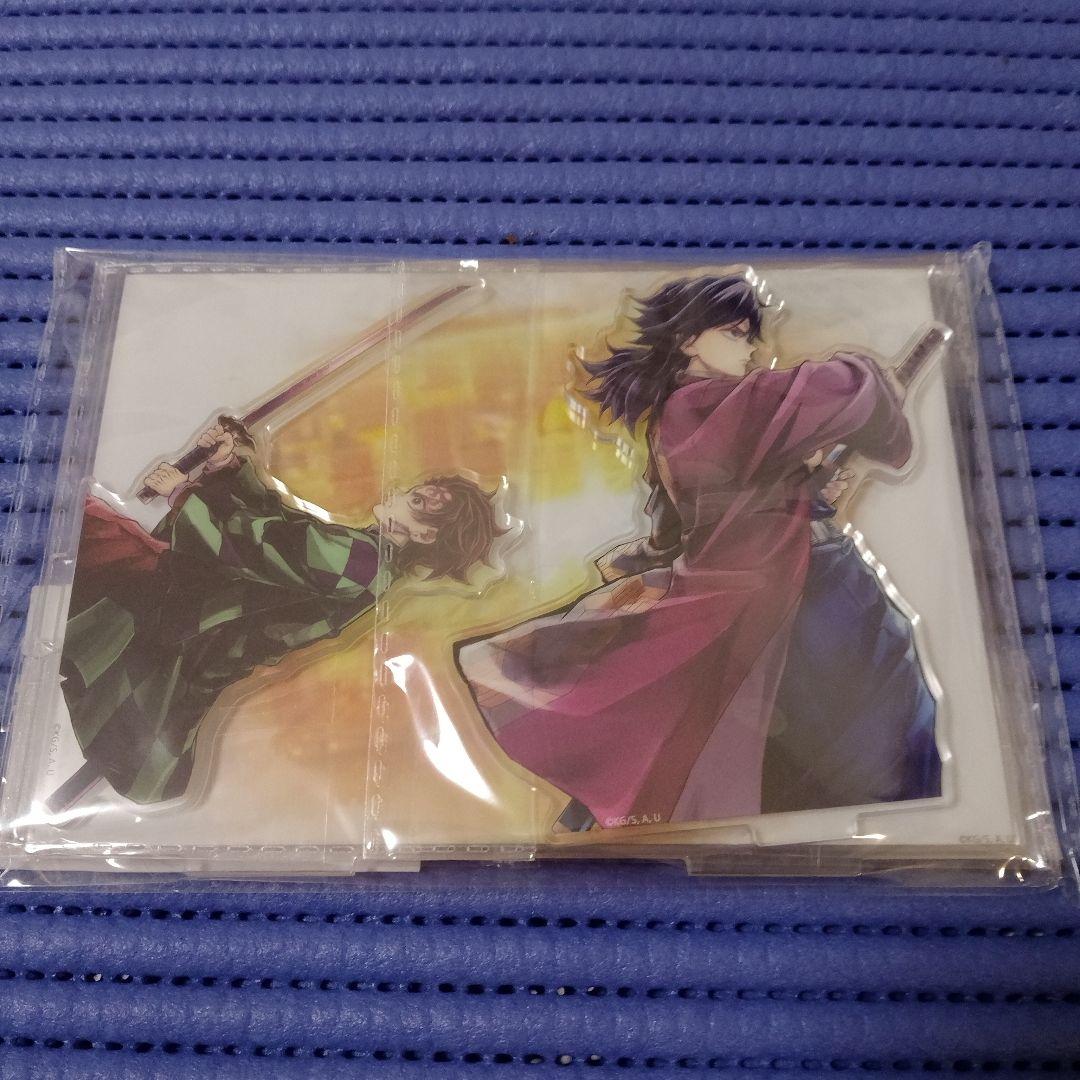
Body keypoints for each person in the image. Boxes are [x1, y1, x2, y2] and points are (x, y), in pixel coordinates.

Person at [455, 274, 941, 832]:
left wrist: (809, 491)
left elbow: (733, 504)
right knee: (870, 722)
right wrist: (868, 377)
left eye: (750, 336)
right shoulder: (699, 405)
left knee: (838, 726)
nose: (752, 349)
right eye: (735, 333)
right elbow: (823, 391)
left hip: (799, 580)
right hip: (794, 590)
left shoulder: (704, 416)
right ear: (688, 339)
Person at [48, 418, 504, 811]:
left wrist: (184, 493)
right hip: (179, 622)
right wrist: (229, 468)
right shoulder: (361, 556)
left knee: (93, 541)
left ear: (424, 536)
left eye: (418, 502)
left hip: (183, 638)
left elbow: (253, 545)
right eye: (416, 493)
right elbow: (279, 526)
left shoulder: (362, 564)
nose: (403, 493)